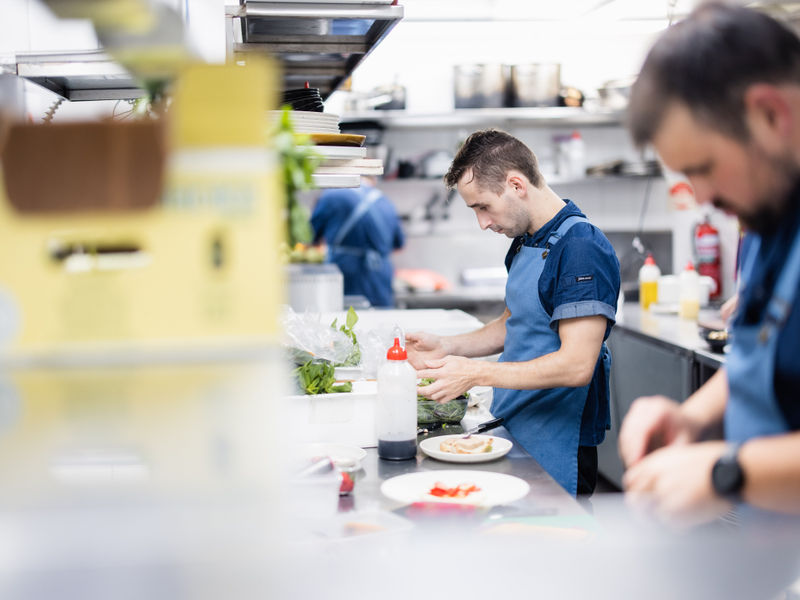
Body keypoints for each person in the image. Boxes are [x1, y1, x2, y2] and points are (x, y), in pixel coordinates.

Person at [619, 2, 800, 525]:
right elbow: (763, 352)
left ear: (770, 114)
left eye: (703, 167)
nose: (702, 197)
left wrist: (729, 471)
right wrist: (690, 416)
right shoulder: (773, 211)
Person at [409, 129, 620, 496]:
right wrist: (445, 347)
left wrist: (476, 373)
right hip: (517, 422)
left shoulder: (581, 248)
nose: (483, 222)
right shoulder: (526, 241)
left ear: (517, 184)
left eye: (483, 206)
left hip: (560, 437)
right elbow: (516, 323)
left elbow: (576, 365)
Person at [311, 176, 404, 307]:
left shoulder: (331, 196)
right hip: (380, 276)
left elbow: (310, 237)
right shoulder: (385, 201)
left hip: (345, 272)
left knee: (342, 322)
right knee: (382, 323)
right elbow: (398, 245)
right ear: (373, 179)